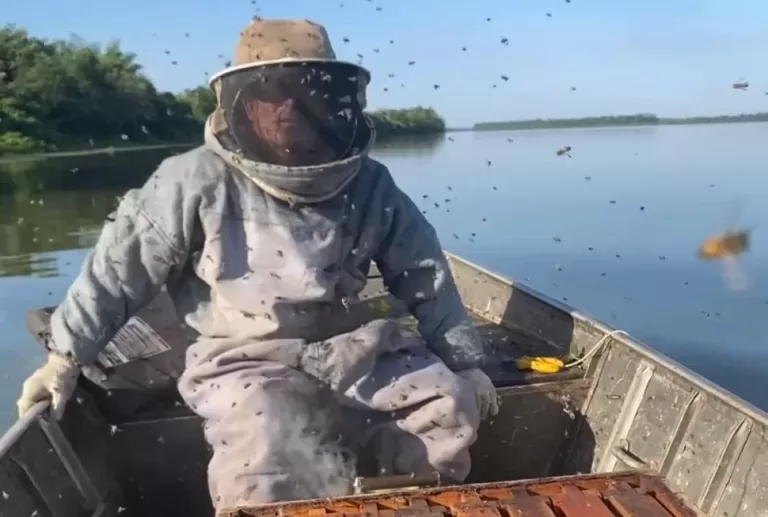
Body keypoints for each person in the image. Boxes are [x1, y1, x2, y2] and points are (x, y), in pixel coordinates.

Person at [16, 18, 499, 510]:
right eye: (272, 93)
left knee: (446, 403)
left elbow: (424, 274)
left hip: (351, 349)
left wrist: (467, 363)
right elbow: (117, 273)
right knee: (265, 439)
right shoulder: (191, 180)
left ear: (334, 102)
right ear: (244, 103)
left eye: (305, 93)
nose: (289, 107)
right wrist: (65, 358)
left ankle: (408, 504)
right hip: (240, 358)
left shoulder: (372, 184)